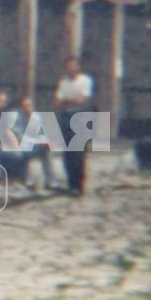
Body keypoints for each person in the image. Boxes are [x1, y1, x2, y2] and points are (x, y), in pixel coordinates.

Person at [55, 55, 95, 196]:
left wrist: (67, 100)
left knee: (79, 153)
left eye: (74, 65)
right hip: (66, 118)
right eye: (69, 66)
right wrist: (69, 101)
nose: (71, 68)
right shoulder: (63, 82)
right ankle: (71, 183)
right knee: (68, 153)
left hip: (80, 117)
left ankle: (79, 184)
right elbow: (58, 102)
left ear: (78, 67)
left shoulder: (85, 81)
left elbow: (81, 100)